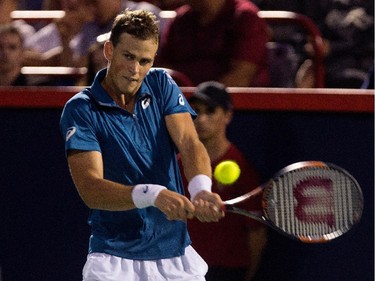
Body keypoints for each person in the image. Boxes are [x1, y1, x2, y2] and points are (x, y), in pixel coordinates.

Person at [60, 9, 224, 281]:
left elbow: (189, 141)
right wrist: (152, 194)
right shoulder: (81, 109)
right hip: (114, 258)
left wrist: (201, 189)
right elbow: (90, 188)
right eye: (128, 57)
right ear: (109, 50)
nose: (135, 70)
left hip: (175, 257)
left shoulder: (161, 84)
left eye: (145, 61)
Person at [179, 81, 268, 281]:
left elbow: (257, 234)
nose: (201, 119)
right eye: (196, 111)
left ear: (227, 115)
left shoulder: (242, 167)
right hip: (183, 269)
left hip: (226, 272)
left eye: (210, 111)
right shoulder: (177, 164)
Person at [155, 0, 270, 87]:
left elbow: (241, 75)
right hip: (178, 103)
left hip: (234, 109)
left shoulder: (246, 17)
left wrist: (202, 103)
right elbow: (163, 67)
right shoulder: (180, 19)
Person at [24, 0, 162, 68]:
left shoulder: (142, 13)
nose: (91, 6)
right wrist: (65, 39)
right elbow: (76, 64)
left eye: (94, 1)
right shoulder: (91, 23)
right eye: (88, 2)